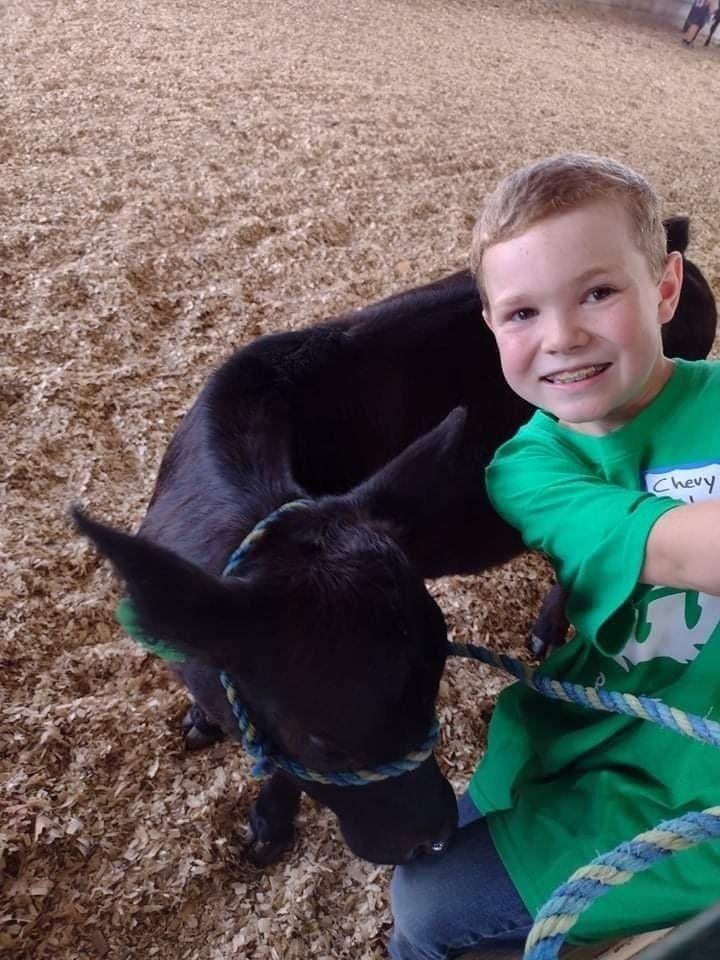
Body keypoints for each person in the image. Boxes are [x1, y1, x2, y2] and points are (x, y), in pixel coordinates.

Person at [388, 153, 720, 959]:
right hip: (584, 739)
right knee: (422, 872)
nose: (563, 338)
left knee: (427, 907)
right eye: (522, 313)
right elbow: (683, 551)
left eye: (599, 293)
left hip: (696, 789)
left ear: (666, 287)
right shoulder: (530, 470)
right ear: (492, 328)